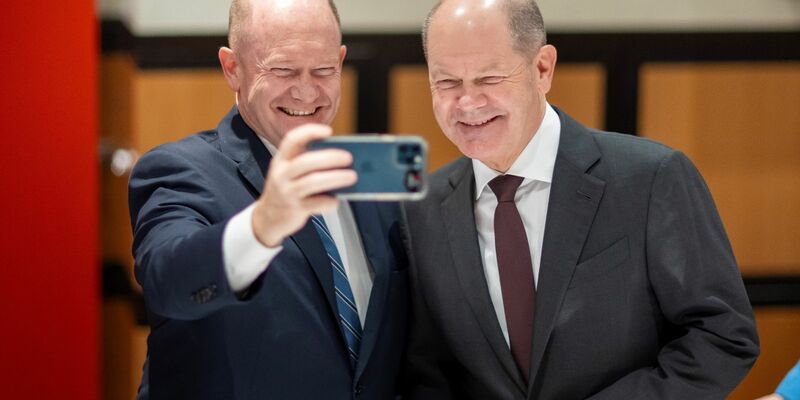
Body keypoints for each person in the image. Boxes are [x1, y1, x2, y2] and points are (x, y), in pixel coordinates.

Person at [400, 0, 759, 399]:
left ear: (543, 68)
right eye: (447, 82)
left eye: (489, 78)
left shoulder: (650, 178)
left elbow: (723, 335)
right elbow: (426, 372)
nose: (467, 103)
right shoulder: (421, 211)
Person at [128, 0, 408, 399]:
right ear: (233, 68)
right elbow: (168, 281)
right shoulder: (179, 170)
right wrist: (262, 226)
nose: (306, 91)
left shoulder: (367, 179)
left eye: (323, 70)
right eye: (283, 70)